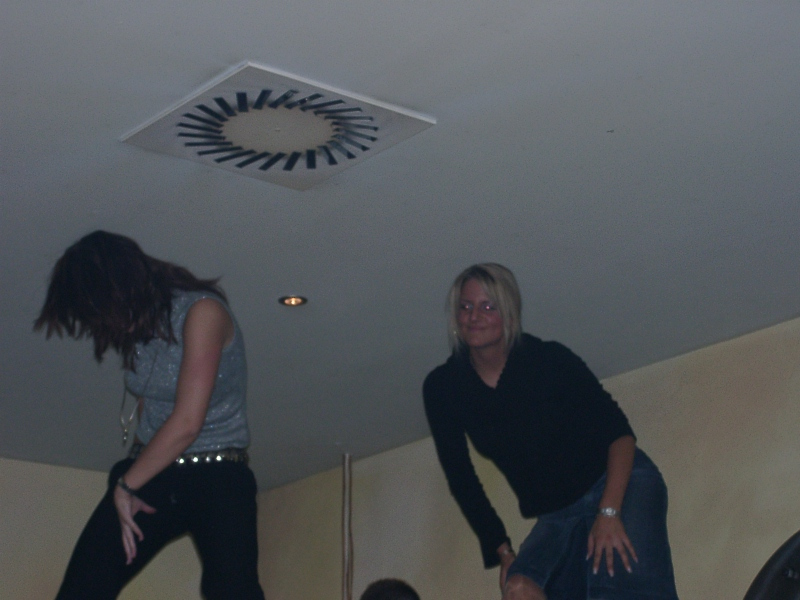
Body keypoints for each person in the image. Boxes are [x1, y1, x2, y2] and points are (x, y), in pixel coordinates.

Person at [423, 264, 678, 600]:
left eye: (487, 306)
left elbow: (620, 435)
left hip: (617, 484)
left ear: (509, 313)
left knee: (616, 588)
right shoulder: (444, 387)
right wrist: (503, 551)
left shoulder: (549, 360)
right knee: (519, 588)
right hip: (556, 516)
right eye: (465, 306)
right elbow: (462, 479)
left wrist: (609, 512)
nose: (474, 316)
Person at [34, 230, 265, 600]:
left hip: (217, 477)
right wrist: (131, 476)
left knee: (232, 592)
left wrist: (127, 485)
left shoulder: (202, 312)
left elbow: (187, 422)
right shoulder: (143, 332)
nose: (102, 323)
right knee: (83, 587)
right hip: (155, 472)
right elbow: (151, 407)